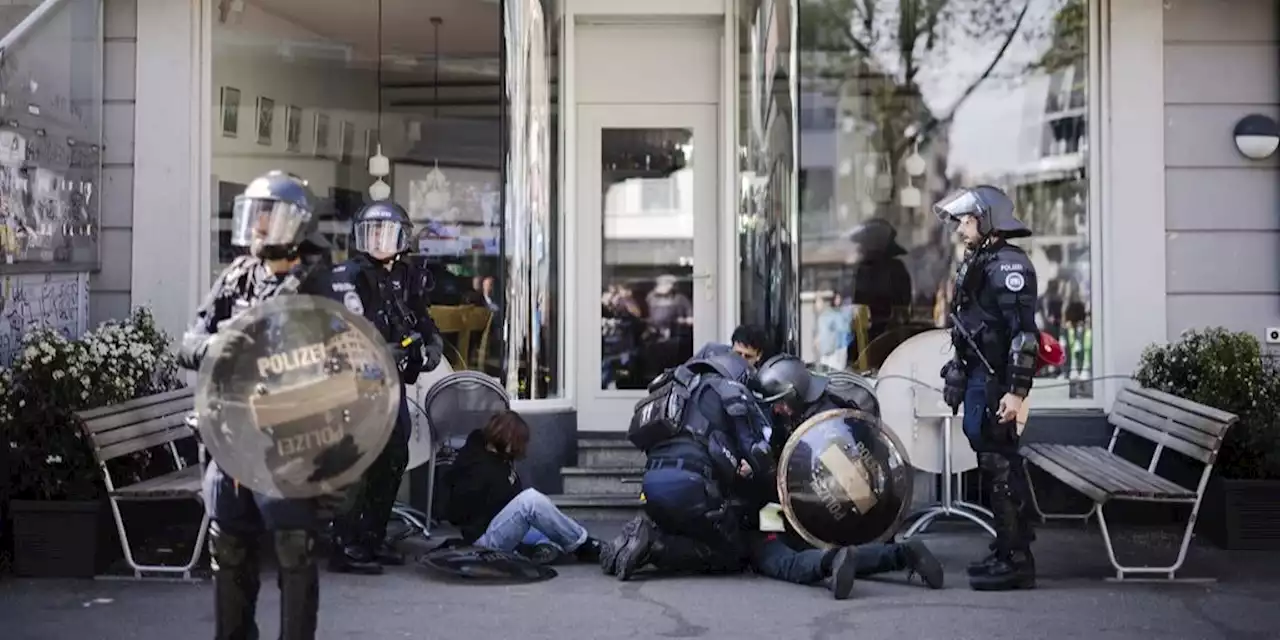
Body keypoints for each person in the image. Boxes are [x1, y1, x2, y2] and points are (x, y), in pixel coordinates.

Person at [178, 171, 332, 639]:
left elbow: (340, 362)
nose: (261, 225)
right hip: (229, 440)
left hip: (287, 442)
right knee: (229, 552)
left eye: (272, 216)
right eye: (257, 214)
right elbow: (189, 344)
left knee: (293, 551)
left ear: (296, 226)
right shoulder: (236, 277)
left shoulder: (317, 285)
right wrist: (225, 345)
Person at [747, 353, 945, 599]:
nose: (777, 409)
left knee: (774, 555)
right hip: (844, 513)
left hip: (837, 513)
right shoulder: (817, 411)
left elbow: (840, 487)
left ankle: (830, 561)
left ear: (795, 393)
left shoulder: (827, 428)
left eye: (780, 402)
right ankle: (902, 555)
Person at [326, 200, 444, 574]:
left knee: (394, 456)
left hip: (389, 382)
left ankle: (370, 540)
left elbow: (420, 315)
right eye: (371, 232)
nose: (378, 241)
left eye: (385, 232)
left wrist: (432, 341)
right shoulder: (351, 276)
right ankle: (344, 546)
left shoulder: (407, 274)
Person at [933, 184, 1040, 591]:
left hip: (997, 380)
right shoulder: (982, 259)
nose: (961, 227)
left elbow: (1023, 336)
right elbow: (973, 321)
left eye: (967, 218)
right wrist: (958, 367)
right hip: (981, 374)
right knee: (990, 458)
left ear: (988, 219)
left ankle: (1017, 559)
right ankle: (1006, 546)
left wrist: (1016, 392)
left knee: (1000, 463)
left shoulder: (1008, 265)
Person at [603, 349, 771, 581]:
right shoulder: (729, 390)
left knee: (689, 530)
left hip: (651, 485)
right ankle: (655, 546)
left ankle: (634, 544)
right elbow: (755, 453)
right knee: (731, 555)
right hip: (692, 486)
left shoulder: (674, 391)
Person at [443, 410, 604, 563]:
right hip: (484, 541)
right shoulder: (476, 466)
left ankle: (542, 548)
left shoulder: (501, 460)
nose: (520, 449)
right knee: (531, 501)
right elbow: (455, 513)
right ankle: (585, 546)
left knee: (554, 524)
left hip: (502, 527)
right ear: (507, 439)